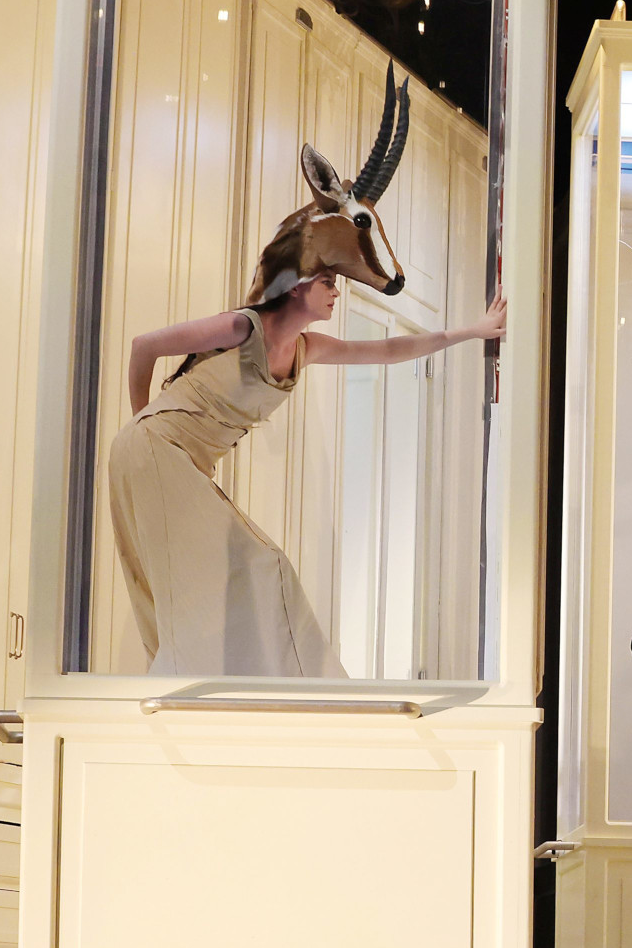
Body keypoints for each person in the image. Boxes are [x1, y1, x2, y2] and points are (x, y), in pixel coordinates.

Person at [110, 270, 504, 676]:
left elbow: (387, 349)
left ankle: (220, 690)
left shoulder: (306, 348)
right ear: (297, 285)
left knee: (196, 586)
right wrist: (144, 423)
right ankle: (290, 694)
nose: (336, 293)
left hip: (165, 457)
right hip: (155, 448)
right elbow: (145, 346)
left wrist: (471, 331)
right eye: (327, 283)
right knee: (260, 564)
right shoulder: (242, 327)